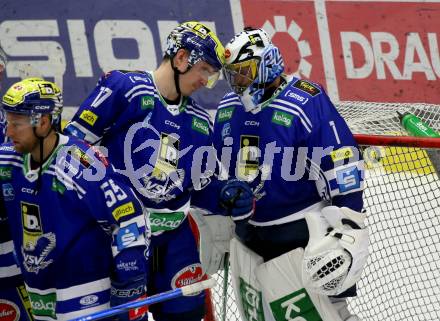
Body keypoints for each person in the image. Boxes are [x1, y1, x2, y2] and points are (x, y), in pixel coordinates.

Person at [64, 21, 234, 321]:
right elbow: (69, 149)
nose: (207, 82)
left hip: (174, 240)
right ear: (181, 58)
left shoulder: (198, 121)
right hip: (123, 239)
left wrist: (227, 195)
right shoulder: (123, 88)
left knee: (188, 316)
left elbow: (200, 186)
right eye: (205, 70)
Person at [214, 27, 369, 321]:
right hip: (249, 239)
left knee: (327, 315)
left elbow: (342, 161)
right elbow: (218, 170)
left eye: (244, 72)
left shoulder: (305, 100)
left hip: (300, 238)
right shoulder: (226, 109)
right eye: (232, 74)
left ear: (267, 64)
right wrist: (220, 211)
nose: (238, 82)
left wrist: (349, 225)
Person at [0, 78, 150, 321]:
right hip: (40, 292)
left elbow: (128, 215)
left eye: (17, 124)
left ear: (44, 122)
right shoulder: (10, 160)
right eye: (8, 123)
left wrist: (130, 270)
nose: (8, 132)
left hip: (86, 294)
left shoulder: (79, 162)